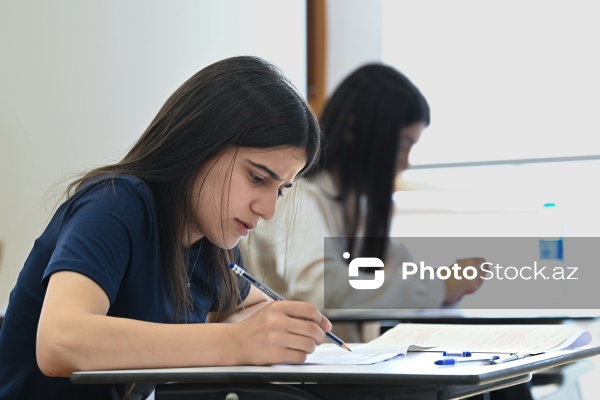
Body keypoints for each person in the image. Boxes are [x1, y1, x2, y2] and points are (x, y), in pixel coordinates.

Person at [0, 56, 329, 400]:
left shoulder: (211, 243)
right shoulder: (116, 205)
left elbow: (249, 307)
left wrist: (271, 332)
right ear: (200, 142)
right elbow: (59, 342)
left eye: (280, 190)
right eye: (257, 178)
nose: (268, 210)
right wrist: (235, 342)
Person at [240, 63, 486, 342]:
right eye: (403, 145)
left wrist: (444, 279)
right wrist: (438, 287)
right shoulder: (300, 198)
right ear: (354, 129)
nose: (406, 163)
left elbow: (397, 267)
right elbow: (321, 291)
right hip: (302, 362)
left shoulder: (357, 207)